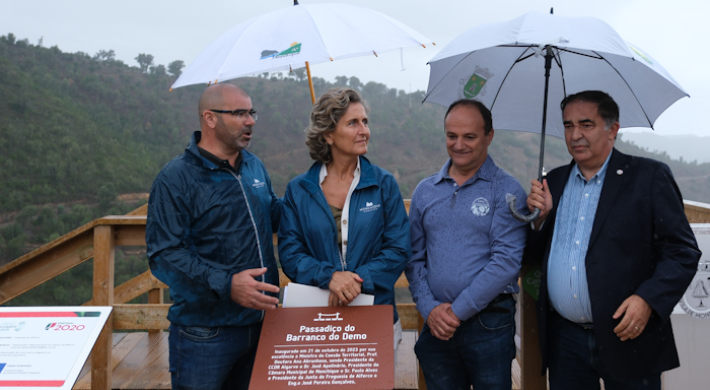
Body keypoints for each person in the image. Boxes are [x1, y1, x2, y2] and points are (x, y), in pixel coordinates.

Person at [525, 90, 701, 390]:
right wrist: (538, 221)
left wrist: (648, 299)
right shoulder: (552, 182)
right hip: (565, 340)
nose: (575, 134)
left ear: (613, 129)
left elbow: (682, 251)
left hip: (629, 335)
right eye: (568, 126)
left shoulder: (649, 177)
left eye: (586, 124)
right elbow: (532, 256)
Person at [146, 84, 281, 390]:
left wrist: (318, 190)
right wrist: (228, 283)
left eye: (251, 112)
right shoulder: (176, 178)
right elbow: (164, 255)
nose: (250, 121)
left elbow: (273, 216)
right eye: (239, 113)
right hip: (205, 334)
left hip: (262, 326)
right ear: (209, 118)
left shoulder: (254, 166)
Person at [406, 99, 528, 390]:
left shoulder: (506, 190)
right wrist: (429, 308)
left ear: (489, 136)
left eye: (469, 137)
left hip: (489, 326)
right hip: (436, 326)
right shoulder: (425, 191)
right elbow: (413, 258)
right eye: (452, 136)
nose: (459, 144)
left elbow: (506, 262)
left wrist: (456, 312)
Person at [278, 87, 411, 350]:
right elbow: (290, 254)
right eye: (353, 123)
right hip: (315, 320)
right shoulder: (299, 189)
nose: (364, 130)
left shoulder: (383, 185)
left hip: (374, 314)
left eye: (365, 122)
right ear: (328, 134)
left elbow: (398, 249)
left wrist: (353, 282)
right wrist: (329, 277)